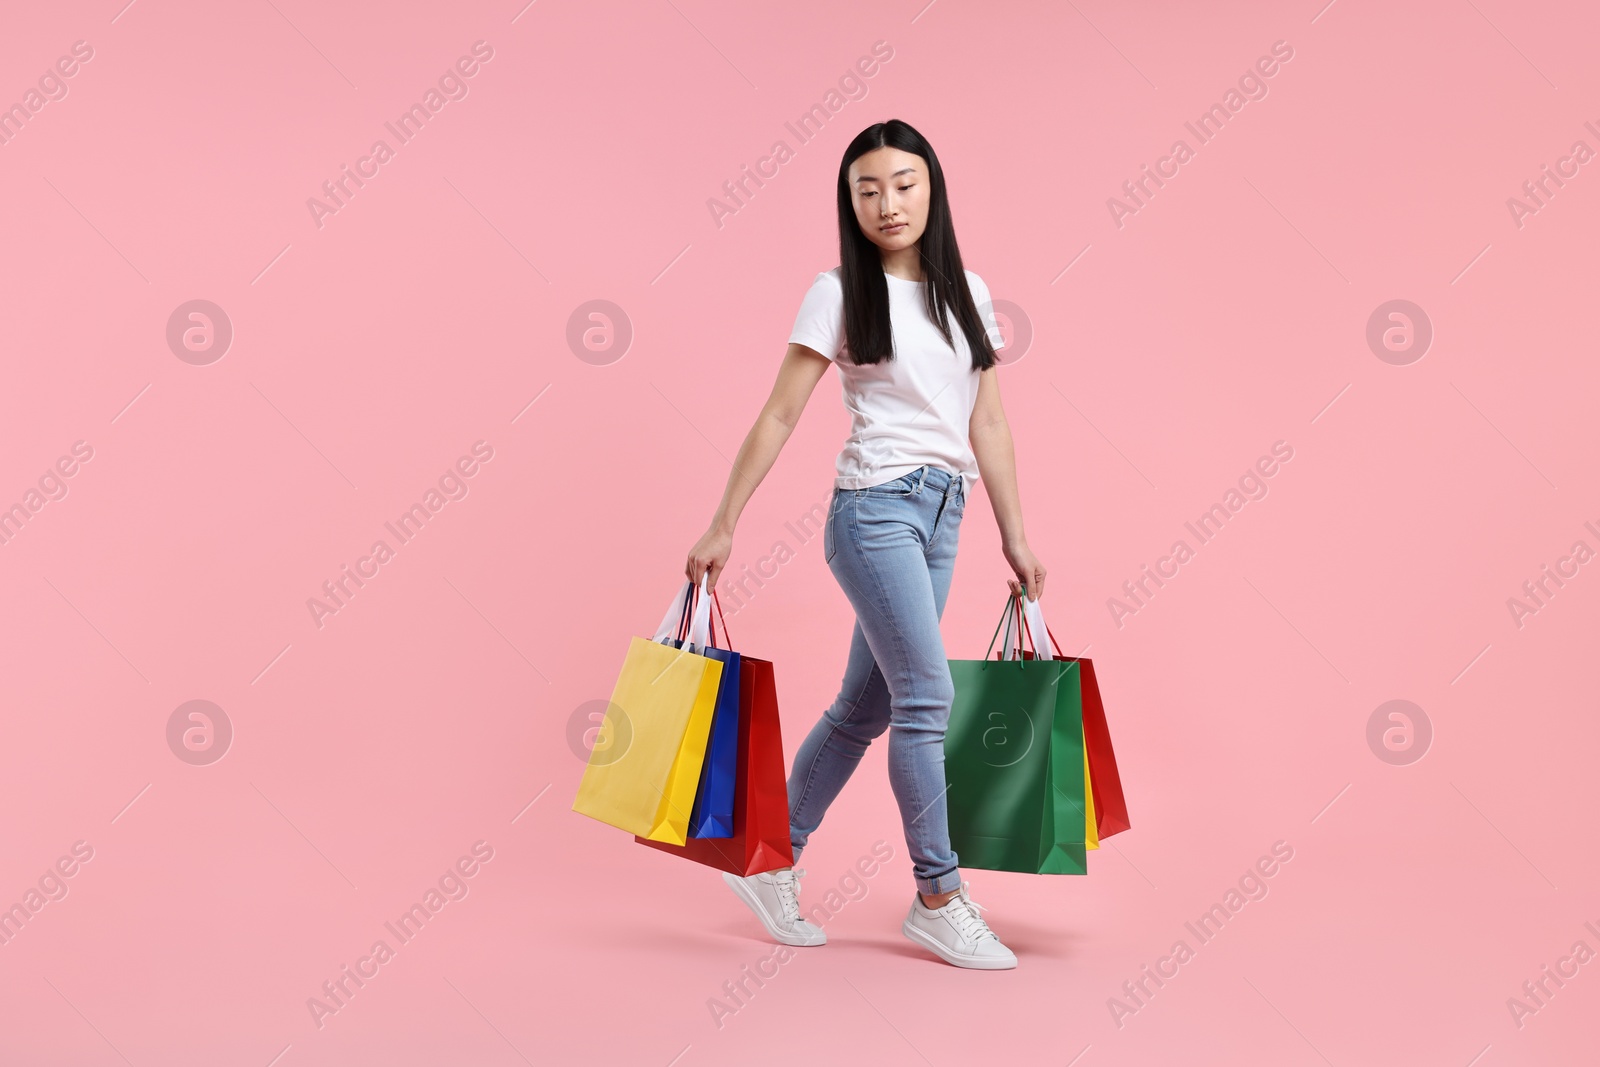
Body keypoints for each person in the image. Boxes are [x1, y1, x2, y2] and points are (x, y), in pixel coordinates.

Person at [684, 119, 1046, 970]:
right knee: (925, 696)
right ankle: (938, 894)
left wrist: (1016, 535)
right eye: (868, 189)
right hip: (875, 512)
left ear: (934, 188)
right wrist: (724, 518)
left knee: (868, 707)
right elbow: (780, 411)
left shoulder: (970, 293)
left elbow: (987, 420)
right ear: (850, 203)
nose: (888, 202)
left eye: (905, 183)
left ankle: (772, 857)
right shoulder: (838, 290)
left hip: (944, 511)